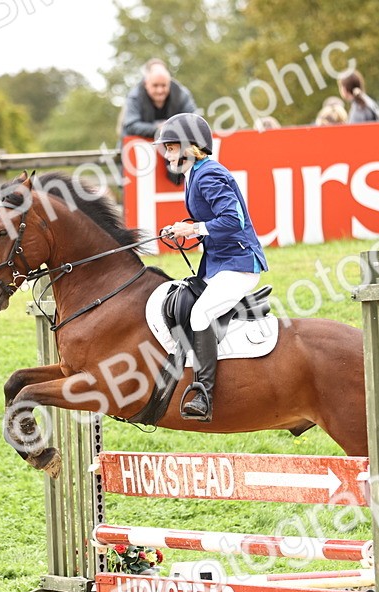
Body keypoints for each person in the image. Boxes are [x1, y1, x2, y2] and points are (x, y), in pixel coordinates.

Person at [154, 113, 267, 423]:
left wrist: (193, 229)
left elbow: (234, 220)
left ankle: (203, 394)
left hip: (239, 263)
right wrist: (182, 228)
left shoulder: (208, 175)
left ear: (190, 146)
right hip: (218, 263)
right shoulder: (195, 174)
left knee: (200, 314)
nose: (167, 155)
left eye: (171, 148)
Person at [121, 58, 198, 139]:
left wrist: (172, 128)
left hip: (175, 142)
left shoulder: (181, 94)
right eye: (155, 85)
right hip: (139, 143)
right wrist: (159, 128)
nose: (160, 90)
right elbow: (130, 126)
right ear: (146, 83)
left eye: (164, 85)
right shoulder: (134, 96)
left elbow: (194, 121)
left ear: (169, 82)